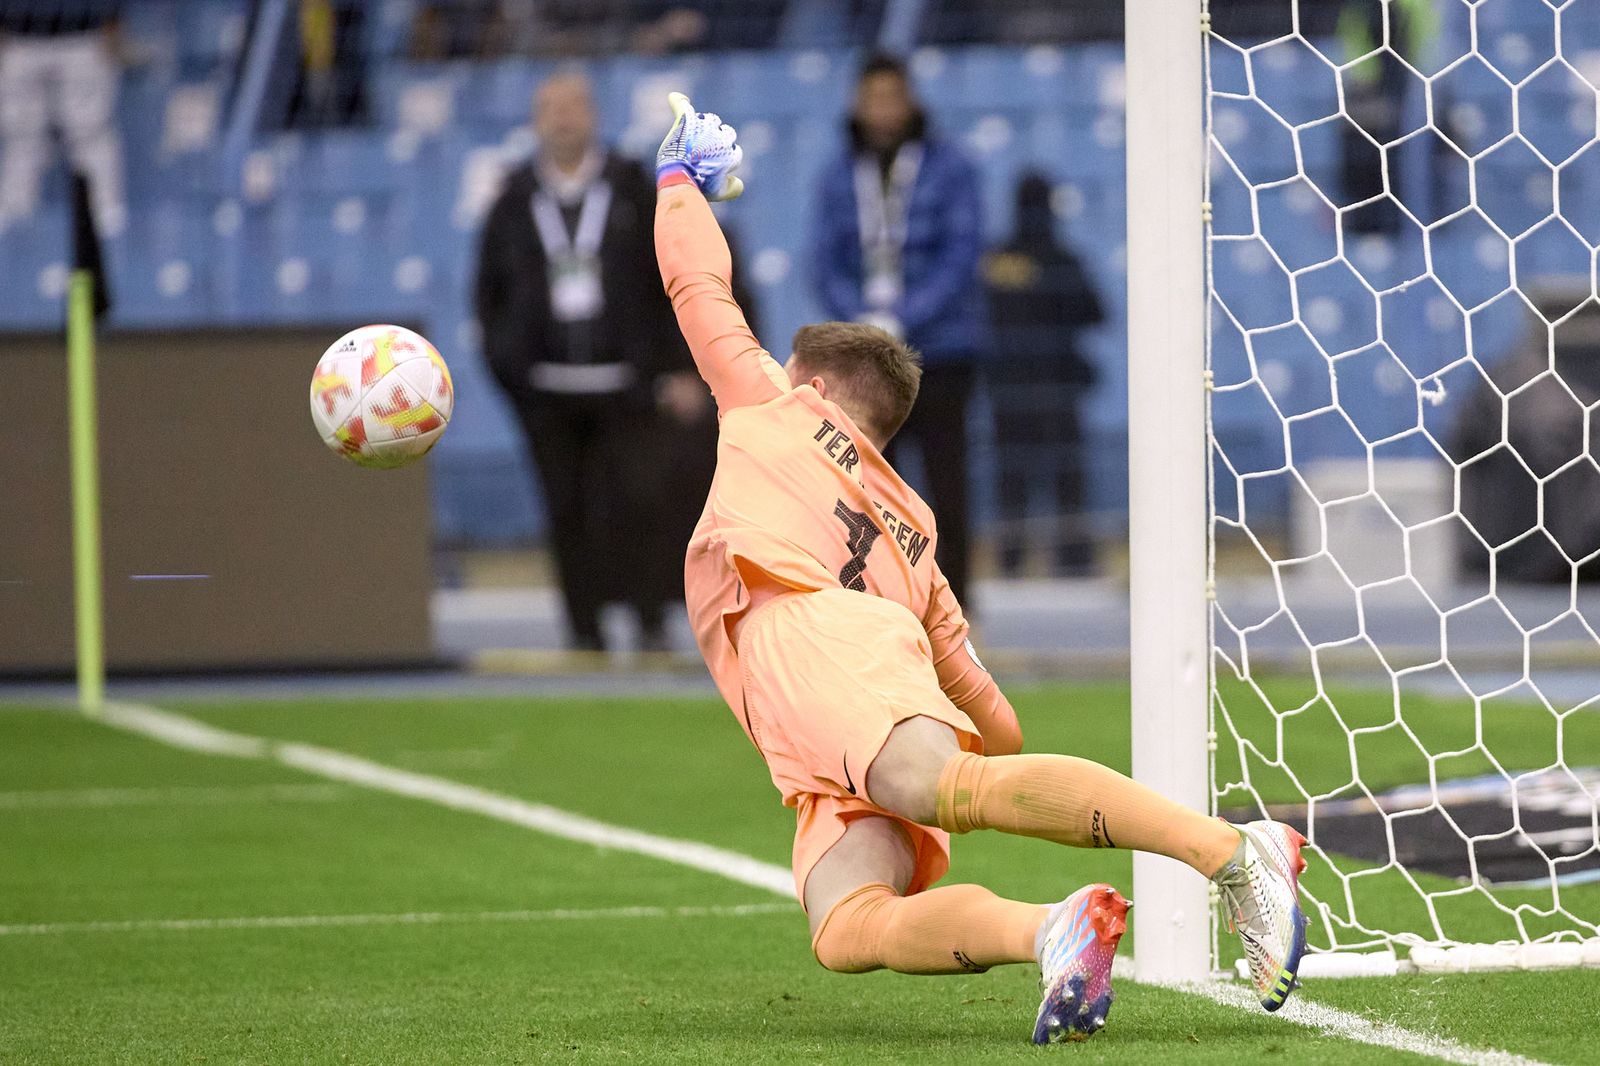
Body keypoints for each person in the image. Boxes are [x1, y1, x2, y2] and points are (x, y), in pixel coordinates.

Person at [654, 92, 1308, 1041]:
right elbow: (983, 707)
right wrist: (984, 760)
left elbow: (697, 286)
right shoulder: (916, 531)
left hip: (808, 640)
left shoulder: (775, 407)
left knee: (946, 789)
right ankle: (1052, 931)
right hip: (841, 705)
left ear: (817, 387)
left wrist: (677, 180)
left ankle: (1232, 853)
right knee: (846, 923)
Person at [475, 72, 695, 652]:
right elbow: (489, 295)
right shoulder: (512, 199)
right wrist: (512, 370)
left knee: (641, 503)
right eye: (551, 107)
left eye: (574, 105)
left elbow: (671, 274)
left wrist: (675, 364)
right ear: (535, 120)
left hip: (628, 382)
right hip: (547, 389)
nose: (564, 117)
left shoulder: (633, 188)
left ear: (595, 114)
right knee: (565, 510)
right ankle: (584, 630)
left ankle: (651, 621)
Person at [811, 53, 984, 606]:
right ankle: (877, 600)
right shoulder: (838, 175)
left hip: (939, 352)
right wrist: (864, 324)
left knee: (945, 480)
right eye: (873, 98)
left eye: (892, 97)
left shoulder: (951, 168)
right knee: (866, 486)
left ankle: (955, 604)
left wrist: (903, 318)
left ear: (910, 101)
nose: (883, 110)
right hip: (867, 363)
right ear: (857, 104)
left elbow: (961, 255)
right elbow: (824, 261)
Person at [983, 172, 1104, 577]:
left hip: (1014, 386)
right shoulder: (1062, 259)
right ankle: (1071, 558)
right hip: (1053, 385)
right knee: (1062, 475)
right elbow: (1095, 312)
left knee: (1015, 477)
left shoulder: (997, 260)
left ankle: (1013, 560)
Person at [0, 0, 126, 237]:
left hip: (83, 33)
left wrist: (113, 18)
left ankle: (102, 218)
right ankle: (15, 222)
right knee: (20, 136)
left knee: (90, 132)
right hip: (19, 35)